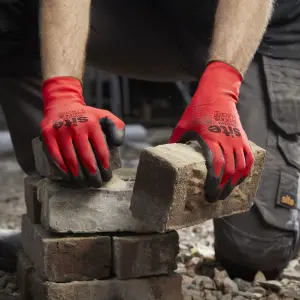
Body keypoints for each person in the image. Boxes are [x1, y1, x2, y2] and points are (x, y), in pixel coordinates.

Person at [0, 0, 300, 280]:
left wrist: (221, 90)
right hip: (134, 19)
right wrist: (62, 93)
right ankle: (57, 210)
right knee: (13, 9)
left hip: (259, 31)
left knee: (254, 253)